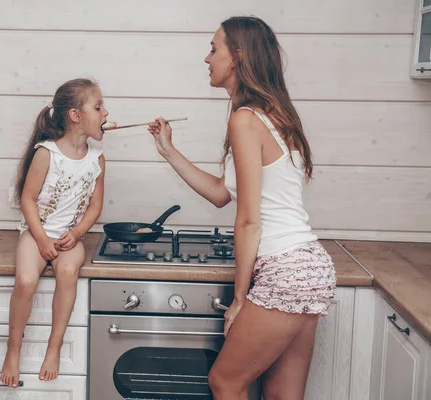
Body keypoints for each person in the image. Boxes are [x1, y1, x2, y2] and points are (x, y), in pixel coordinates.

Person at [147, 16, 336, 400]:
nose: (206, 58)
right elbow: (221, 193)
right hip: (309, 265)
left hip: (283, 269)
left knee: (225, 382)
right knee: (283, 394)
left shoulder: (245, 119)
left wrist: (239, 299)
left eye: (213, 48)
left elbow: (248, 220)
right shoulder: (273, 114)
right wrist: (168, 150)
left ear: (236, 57)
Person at [0, 78, 108, 387]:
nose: (105, 113)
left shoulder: (96, 158)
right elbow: (28, 200)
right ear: (75, 115)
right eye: (98, 107)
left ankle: (54, 347)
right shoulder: (46, 153)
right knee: (26, 280)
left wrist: (76, 234)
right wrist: (42, 239)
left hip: (69, 237)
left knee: (68, 270)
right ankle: (13, 350)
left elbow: (95, 207)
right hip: (37, 233)